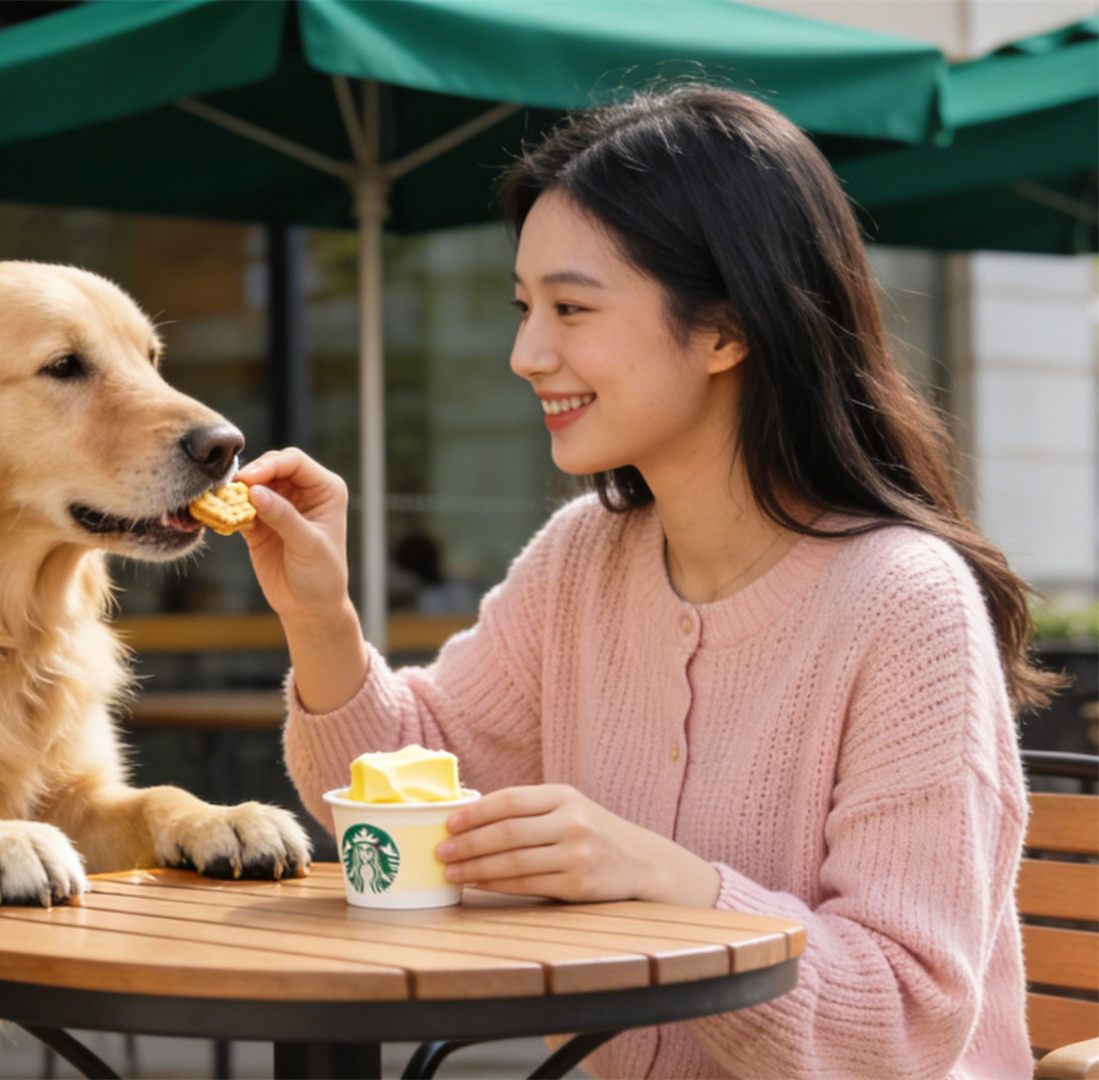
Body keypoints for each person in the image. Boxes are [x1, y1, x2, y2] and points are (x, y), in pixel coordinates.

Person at [237, 84, 1047, 1079]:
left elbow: (901, 1022)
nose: (527, 353)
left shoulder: (905, 603)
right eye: (525, 307)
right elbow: (406, 800)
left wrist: (662, 881)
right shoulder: (585, 557)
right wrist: (320, 614)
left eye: (572, 308)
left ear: (725, 329)